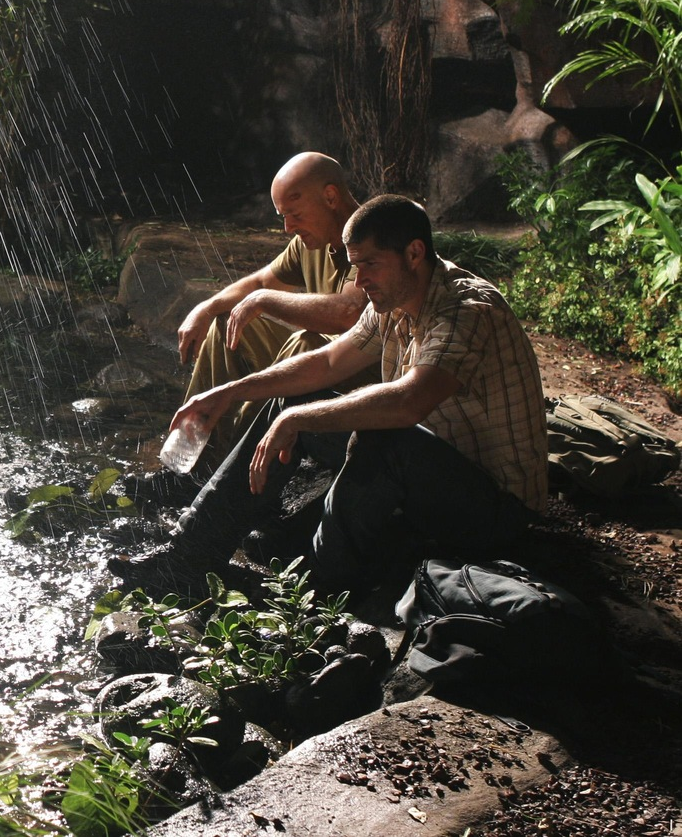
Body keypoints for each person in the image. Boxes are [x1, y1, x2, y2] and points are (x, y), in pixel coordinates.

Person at [113, 194, 547, 596]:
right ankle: (187, 555)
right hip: (427, 472)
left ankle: (319, 587)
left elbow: (408, 402)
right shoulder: (394, 297)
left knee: (378, 434)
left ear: (414, 253)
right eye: (356, 266)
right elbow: (327, 362)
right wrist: (230, 392)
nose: (360, 280)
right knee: (292, 404)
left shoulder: (466, 309)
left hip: (494, 510)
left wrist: (299, 421)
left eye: (370, 265)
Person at [175, 152, 369, 470]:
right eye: (282, 216)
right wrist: (206, 308)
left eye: (293, 214)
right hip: (322, 366)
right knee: (230, 323)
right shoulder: (310, 243)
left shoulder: (372, 239)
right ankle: (190, 458)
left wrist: (265, 300)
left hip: (367, 381)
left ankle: (233, 468)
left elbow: (347, 312)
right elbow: (262, 280)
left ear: (330, 196)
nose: (287, 227)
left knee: (305, 343)